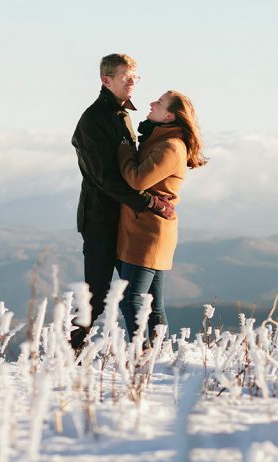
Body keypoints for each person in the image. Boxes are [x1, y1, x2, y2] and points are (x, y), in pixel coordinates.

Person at [70, 53, 174, 349]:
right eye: (126, 78)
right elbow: (105, 178)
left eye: (135, 77)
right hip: (101, 220)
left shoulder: (122, 114)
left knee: (142, 295)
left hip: (127, 218)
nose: (132, 83)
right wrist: (149, 203)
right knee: (98, 296)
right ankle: (68, 352)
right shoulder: (93, 120)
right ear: (107, 80)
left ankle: (155, 356)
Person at [115, 90, 207, 341]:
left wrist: (124, 149)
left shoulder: (170, 147)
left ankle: (140, 353)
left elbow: (137, 180)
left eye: (160, 102)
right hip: (149, 229)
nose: (152, 102)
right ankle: (158, 355)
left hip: (147, 232)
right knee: (154, 304)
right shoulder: (160, 141)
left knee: (130, 299)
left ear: (169, 116)